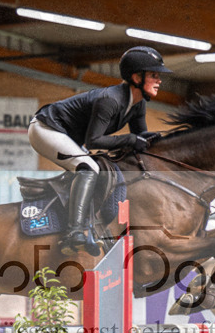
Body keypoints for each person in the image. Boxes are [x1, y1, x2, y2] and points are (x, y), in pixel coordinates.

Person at [28, 45, 170, 255]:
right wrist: (131, 139)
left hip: (67, 135)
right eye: (154, 75)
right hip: (46, 129)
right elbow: (93, 141)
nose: (159, 80)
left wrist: (159, 140)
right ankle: (74, 233)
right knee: (88, 168)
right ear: (136, 77)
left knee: (96, 170)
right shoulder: (110, 100)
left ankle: (90, 225)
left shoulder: (138, 104)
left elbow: (140, 138)